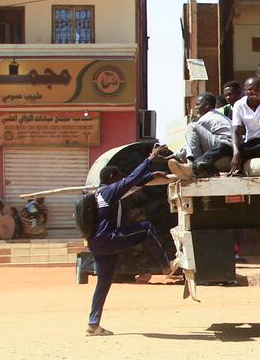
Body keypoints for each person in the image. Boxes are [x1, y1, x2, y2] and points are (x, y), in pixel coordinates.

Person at [85, 143, 179, 336]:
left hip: (97, 244)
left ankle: (93, 324)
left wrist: (155, 176)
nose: (121, 179)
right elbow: (131, 179)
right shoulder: (110, 191)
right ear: (112, 178)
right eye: (118, 176)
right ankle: (166, 266)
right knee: (145, 229)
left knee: (103, 284)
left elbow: (134, 182)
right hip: (109, 238)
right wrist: (151, 158)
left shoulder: (99, 194)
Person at [169, 92, 235, 180]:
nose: (195, 108)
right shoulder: (219, 116)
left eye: (197, 104)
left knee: (192, 127)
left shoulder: (206, 118)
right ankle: (195, 167)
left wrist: (174, 156)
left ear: (207, 105)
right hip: (229, 154)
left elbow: (190, 143)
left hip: (224, 151)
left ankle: (193, 167)